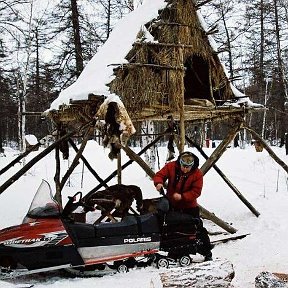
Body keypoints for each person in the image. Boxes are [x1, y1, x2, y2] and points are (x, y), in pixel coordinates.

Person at [153, 151, 213, 261]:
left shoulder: (197, 174)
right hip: (172, 205)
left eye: (188, 167)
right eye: (183, 166)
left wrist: (182, 197)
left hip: (189, 207)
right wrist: (159, 183)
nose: (185, 169)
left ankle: (206, 251)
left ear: (192, 166)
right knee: (173, 229)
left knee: (196, 229)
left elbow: (196, 191)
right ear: (179, 163)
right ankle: (175, 252)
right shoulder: (171, 166)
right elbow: (159, 175)